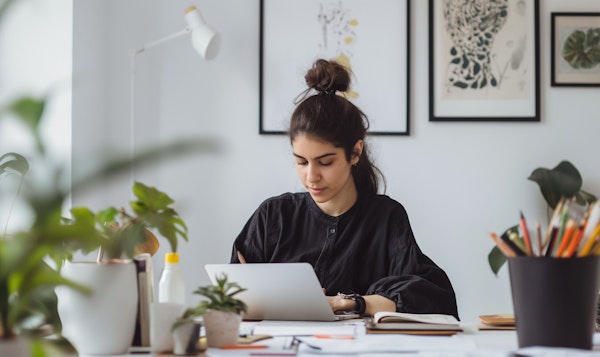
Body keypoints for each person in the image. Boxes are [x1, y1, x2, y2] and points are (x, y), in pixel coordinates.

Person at [230, 58, 459, 319]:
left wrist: (347, 303)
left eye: (325, 162)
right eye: (301, 162)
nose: (311, 176)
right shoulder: (273, 215)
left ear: (355, 152)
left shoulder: (386, 218)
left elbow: (432, 298)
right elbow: (231, 299)